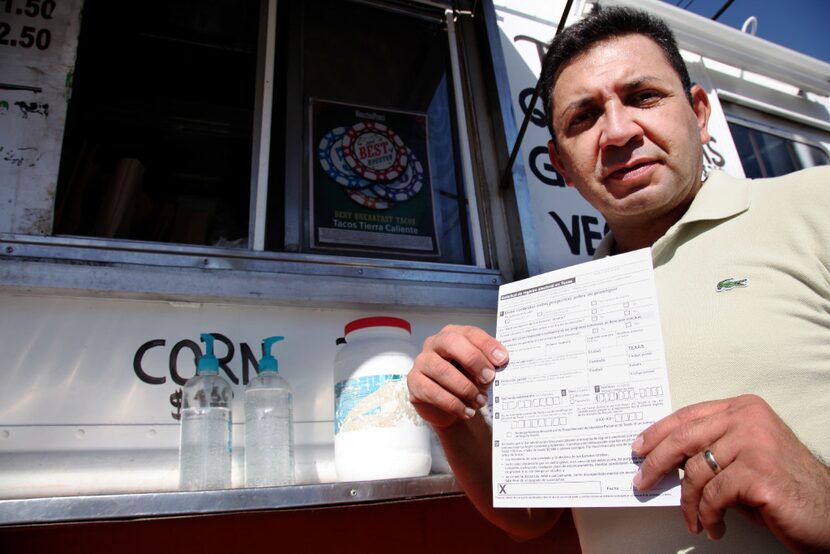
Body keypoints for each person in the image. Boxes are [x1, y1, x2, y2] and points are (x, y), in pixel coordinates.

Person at [407, 6, 830, 552]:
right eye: (583, 118)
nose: (618, 131)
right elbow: (532, 516)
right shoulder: (557, 311)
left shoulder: (816, 205)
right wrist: (453, 421)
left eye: (643, 96)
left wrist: (816, 496)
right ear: (561, 165)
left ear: (699, 113)